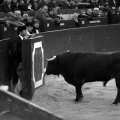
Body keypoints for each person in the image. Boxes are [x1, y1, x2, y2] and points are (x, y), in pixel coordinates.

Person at [11, 25, 27, 96]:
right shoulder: (16, 40)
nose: (26, 31)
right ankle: (16, 95)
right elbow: (14, 52)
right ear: (20, 31)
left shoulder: (23, 39)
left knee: (21, 78)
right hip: (17, 62)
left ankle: (20, 93)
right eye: (24, 30)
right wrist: (21, 59)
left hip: (20, 62)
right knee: (17, 77)